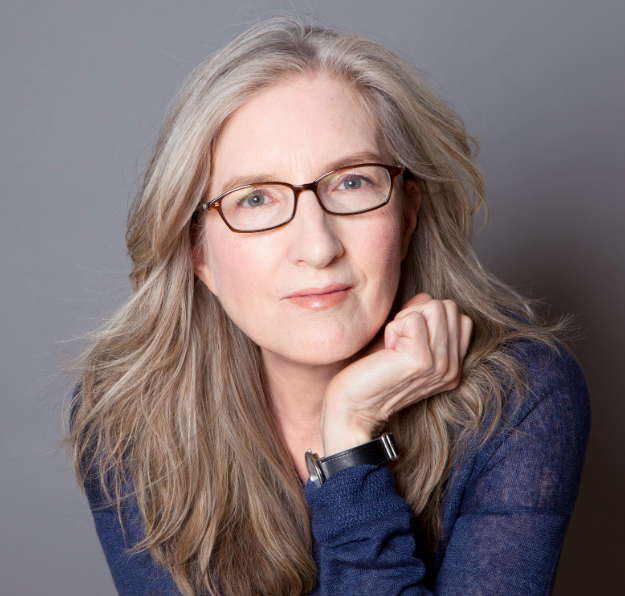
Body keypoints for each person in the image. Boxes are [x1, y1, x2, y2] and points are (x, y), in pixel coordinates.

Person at [62, 13, 591, 596]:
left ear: (407, 216)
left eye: (352, 182)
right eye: (255, 199)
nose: (317, 247)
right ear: (198, 254)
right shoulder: (128, 417)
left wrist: (349, 440)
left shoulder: (519, 399)